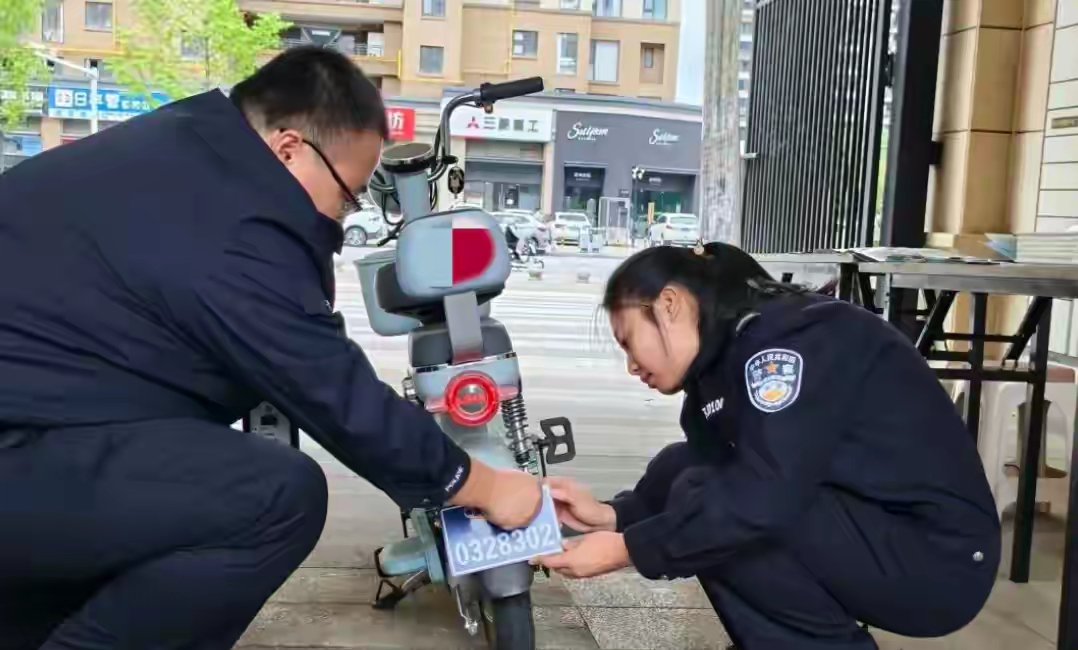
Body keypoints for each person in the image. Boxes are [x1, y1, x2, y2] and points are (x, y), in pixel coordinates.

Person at [0, 46, 540, 650]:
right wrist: (482, 485)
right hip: (22, 450)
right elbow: (330, 389)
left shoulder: (183, 152)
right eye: (346, 195)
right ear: (289, 149)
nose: (341, 219)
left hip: (44, 434)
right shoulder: (232, 220)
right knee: (275, 497)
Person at [538, 243, 1002, 649]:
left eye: (628, 342)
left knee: (729, 507)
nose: (631, 366)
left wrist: (629, 549)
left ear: (670, 304)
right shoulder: (722, 358)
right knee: (685, 471)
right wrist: (615, 517)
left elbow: (762, 495)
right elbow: (703, 465)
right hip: (879, 532)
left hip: (938, 561)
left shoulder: (784, 343)